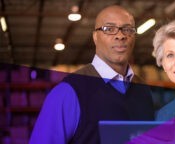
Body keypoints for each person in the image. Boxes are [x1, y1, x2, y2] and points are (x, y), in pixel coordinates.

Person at [29, 5, 154, 144]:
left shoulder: (143, 89)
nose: (120, 35)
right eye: (109, 29)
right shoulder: (68, 92)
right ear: (95, 37)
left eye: (127, 29)